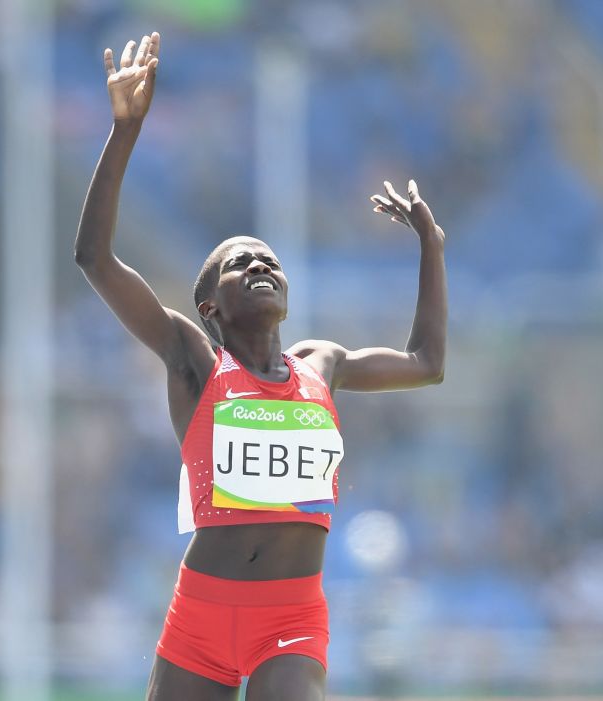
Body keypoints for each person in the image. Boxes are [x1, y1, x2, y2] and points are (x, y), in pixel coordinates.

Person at [74, 32, 446, 701]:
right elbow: (95, 260)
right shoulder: (193, 361)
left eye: (269, 258)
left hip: (292, 617)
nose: (261, 264)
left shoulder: (322, 365)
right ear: (210, 306)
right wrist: (125, 131)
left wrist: (431, 246)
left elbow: (427, 362)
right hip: (202, 617)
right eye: (240, 261)